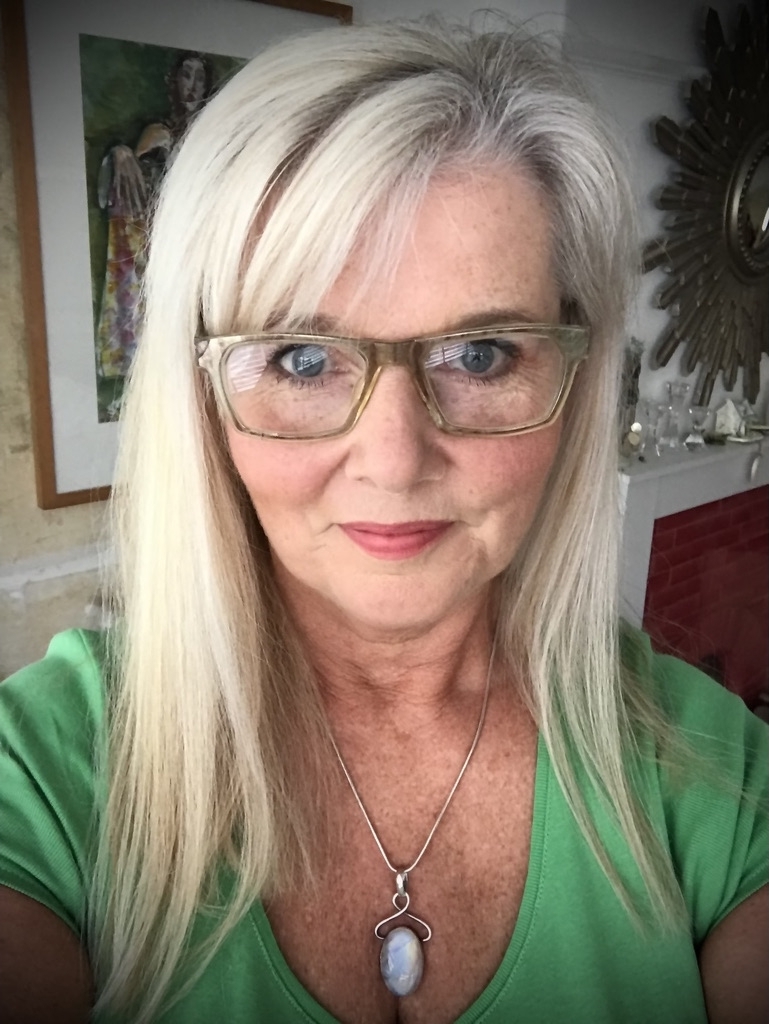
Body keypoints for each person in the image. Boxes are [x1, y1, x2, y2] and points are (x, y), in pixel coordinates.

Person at [1, 17, 767, 1024]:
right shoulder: (45, 773)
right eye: (302, 359)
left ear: (576, 384)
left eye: (483, 354)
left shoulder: (708, 770)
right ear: (201, 399)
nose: (396, 460)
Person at [94, 52, 213, 414]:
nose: (192, 85)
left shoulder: (216, 134)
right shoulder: (160, 132)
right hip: (166, 241)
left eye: (199, 78)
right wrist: (121, 154)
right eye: (186, 75)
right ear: (173, 82)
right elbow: (133, 189)